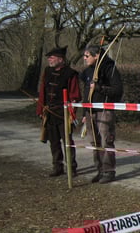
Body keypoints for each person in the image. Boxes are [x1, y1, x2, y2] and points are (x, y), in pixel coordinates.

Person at [80, 45, 123, 184]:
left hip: (104, 111)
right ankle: (99, 170)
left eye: (87, 56)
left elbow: (117, 90)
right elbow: (86, 93)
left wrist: (99, 88)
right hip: (90, 111)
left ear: (97, 56)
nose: (85, 58)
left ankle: (109, 171)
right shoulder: (88, 71)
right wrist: (84, 113)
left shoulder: (109, 69)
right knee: (94, 142)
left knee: (106, 141)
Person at [37, 46, 81, 177]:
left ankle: (71, 168)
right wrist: (40, 109)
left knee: (67, 141)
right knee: (54, 141)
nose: (49, 60)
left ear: (60, 59)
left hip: (64, 113)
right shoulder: (47, 71)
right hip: (50, 112)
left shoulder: (70, 73)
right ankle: (57, 166)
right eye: (49, 58)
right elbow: (43, 90)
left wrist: (72, 113)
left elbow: (74, 95)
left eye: (52, 57)